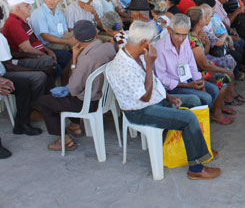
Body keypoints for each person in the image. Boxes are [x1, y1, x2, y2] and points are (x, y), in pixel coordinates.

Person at [106, 20, 221, 179]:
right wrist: (149, 64)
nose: (154, 45)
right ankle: (196, 168)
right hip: (140, 111)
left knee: (194, 101)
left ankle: (198, 146)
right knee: (188, 118)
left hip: (155, 99)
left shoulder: (137, 54)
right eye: (152, 41)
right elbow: (145, 97)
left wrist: (169, 97)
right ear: (144, 43)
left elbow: (154, 82)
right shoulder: (123, 65)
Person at [37, 20, 116, 151]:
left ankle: (64, 140)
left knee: (44, 101)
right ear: (96, 33)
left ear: (75, 39)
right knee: (68, 96)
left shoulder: (86, 59)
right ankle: (75, 125)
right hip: (104, 97)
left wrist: (74, 59)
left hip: (87, 102)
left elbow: (73, 89)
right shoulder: (108, 47)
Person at [154, 14, 219, 108]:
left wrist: (199, 82)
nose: (180, 39)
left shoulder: (185, 41)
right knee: (206, 98)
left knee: (214, 90)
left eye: (184, 35)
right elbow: (162, 79)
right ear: (169, 30)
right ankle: (200, 117)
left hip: (187, 80)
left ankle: (202, 115)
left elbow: (192, 64)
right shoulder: (159, 48)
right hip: (173, 87)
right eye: (177, 34)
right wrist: (188, 85)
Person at [0, 31, 46, 135]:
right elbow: (9, 65)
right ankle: (23, 121)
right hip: (5, 74)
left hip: (4, 74)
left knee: (34, 78)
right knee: (25, 82)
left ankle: (31, 112)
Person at [3, 0, 59, 79]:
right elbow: (27, 49)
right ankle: (51, 90)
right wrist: (44, 55)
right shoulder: (13, 23)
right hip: (21, 58)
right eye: (27, 6)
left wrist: (48, 50)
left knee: (61, 57)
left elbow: (34, 42)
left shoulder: (21, 21)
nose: (30, 8)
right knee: (49, 61)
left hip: (34, 53)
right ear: (18, 8)